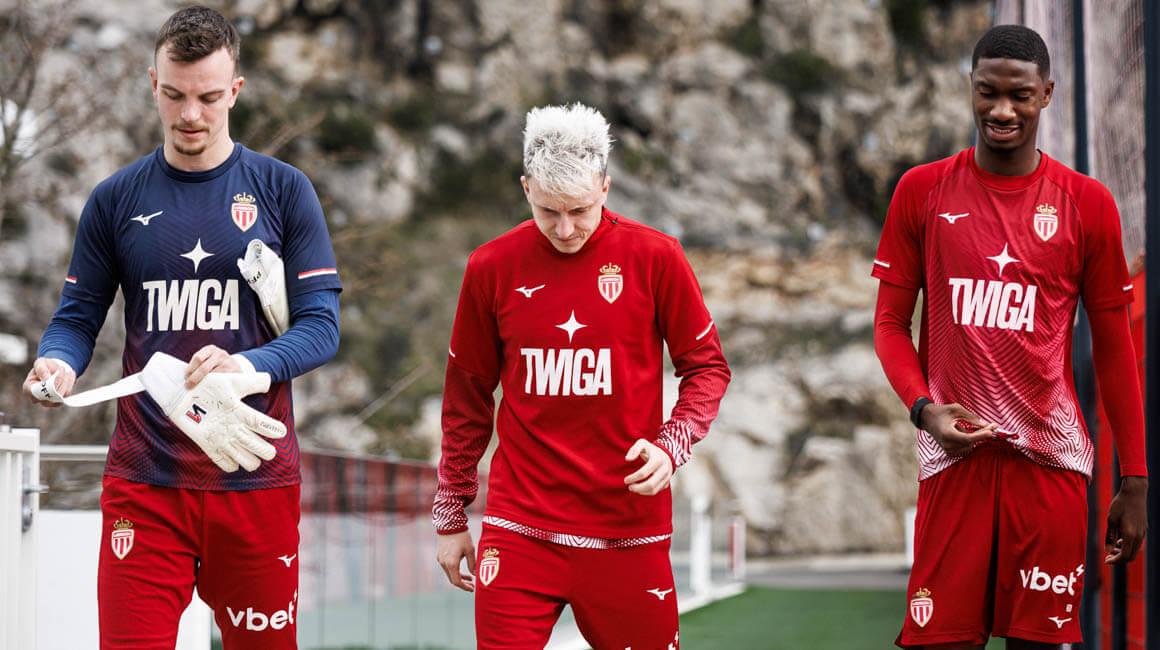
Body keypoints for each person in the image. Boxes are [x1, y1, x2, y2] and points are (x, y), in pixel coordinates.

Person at [21, 6, 341, 648]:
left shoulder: (284, 190)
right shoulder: (115, 198)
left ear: (236, 91)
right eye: (174, 95)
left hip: (253, 477)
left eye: (209, 97)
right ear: (153, 83)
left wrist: (245, 366)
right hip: (144, 481)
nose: (190, 114)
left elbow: (321, 327)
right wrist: (57, 361)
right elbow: (76, 319)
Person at [872, 24, 1147, 649]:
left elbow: (1114, 351)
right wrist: (925, 411)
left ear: (1046, 93)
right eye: (987, 92)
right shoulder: (921, 190)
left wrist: (1135, 480)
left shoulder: (1087, 204)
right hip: (953, 462)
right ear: (970, 88)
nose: (1002, 110)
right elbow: (889, 325)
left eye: (1019, 95)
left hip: (1049, 467)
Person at [433, 102, 730, 649]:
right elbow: (466, 399)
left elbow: (707, 367)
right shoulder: (490, 266)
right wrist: (451, 515)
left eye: (580, 210)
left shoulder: (657, 256)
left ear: (605, 188)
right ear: (526, 188)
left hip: (628, 527)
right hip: (519, 526)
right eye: (548, 211)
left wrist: (672, 445)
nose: (565, 229)